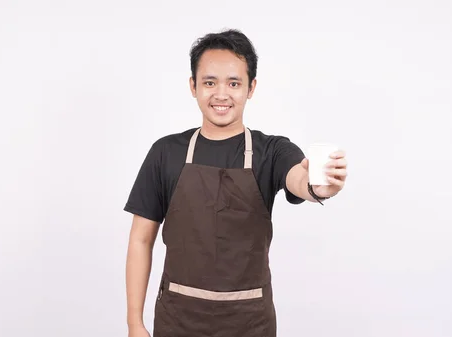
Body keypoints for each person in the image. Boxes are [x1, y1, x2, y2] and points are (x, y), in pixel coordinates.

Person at [124, 28, 348, 337]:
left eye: (233, 83)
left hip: (250, 323)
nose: (221, 94)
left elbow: (297, 176)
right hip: (178, 320)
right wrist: (134, 324)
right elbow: (140, 240)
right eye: (209, 82)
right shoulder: (165, 152)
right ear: (193, 86)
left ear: (251, 87)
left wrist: (316, 187)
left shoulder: (272, 151)